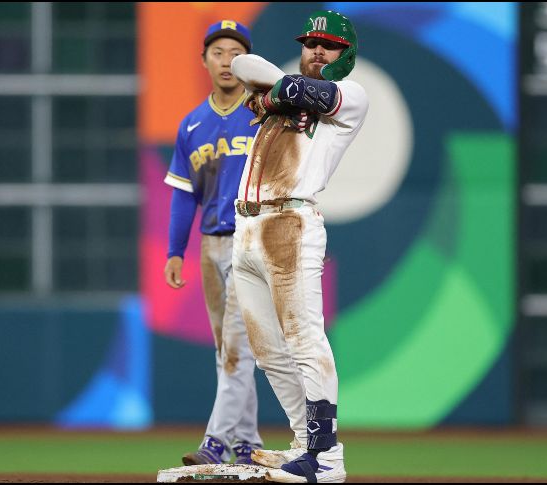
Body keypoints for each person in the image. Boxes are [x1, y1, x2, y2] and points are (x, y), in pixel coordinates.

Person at [229, 10, 368, 484]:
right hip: (246, 227)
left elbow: (291, 90)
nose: (317, 51)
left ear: (346, 54)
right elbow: (243, 65)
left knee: (304, 339)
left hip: (291, 222)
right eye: (310, 43)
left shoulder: (352, 95)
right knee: (267, 350)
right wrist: (274, 93)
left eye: (328, 45)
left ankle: (327, 456)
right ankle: (304, 443)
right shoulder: (281, 91)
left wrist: (272, 96)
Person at [163, 20, 263, 466]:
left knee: (237, 347)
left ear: (247, 62)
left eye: (235, 53)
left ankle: (217, 443)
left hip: (250, 241)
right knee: (227, 351)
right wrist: (174, 251)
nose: (226, 61)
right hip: (210, 245)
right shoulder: (191, 124)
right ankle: (247, 442)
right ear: (203, 60)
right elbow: (184, 194)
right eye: (218, 52)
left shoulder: (262, 114)